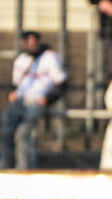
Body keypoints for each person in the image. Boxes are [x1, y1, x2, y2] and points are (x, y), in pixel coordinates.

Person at [1, 31, 67, 170]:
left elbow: (62, 84)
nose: (31, 44)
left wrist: (48, 99)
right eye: (28, 41)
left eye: (34, 40)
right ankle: (4, 167)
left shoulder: (50, 57)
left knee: (22, 134)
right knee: (6, 132)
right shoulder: (21, 59)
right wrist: (12, 93)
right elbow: (17, 84)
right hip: (20, 101)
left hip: (36, 101)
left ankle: (23, 169)